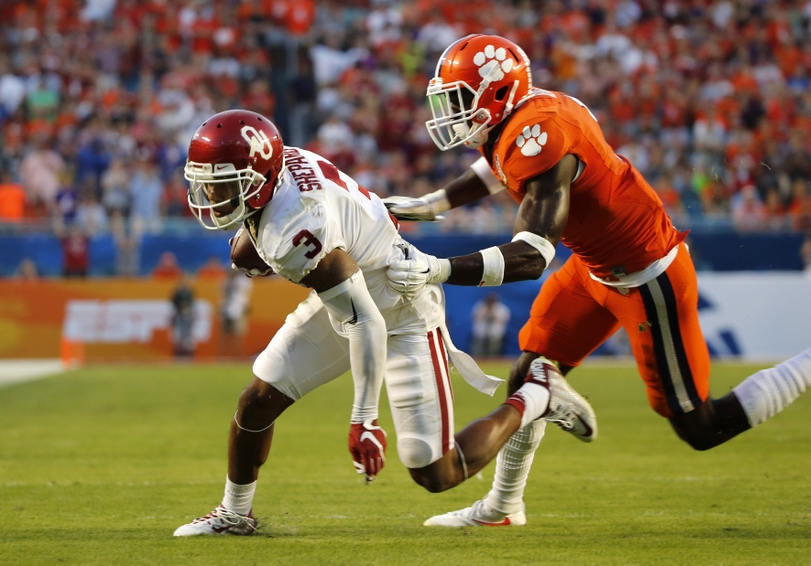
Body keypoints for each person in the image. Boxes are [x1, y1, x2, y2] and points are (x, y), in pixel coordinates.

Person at [384, 34, 811, 527]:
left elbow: (531, 255)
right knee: (528, 373)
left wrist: (439, 267)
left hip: (648, 278)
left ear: (496, 95)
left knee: (701, 425)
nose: (450, 112)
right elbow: (499, 162)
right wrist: (433, 204)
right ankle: (503, 507)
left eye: (459, 100)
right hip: (594, 268)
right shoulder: (527, 118)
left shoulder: (542, 135)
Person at [172, 109, 596, 536]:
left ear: (260, 176)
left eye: (224, 181)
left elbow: (365, 322)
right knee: (258, 399)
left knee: (435, 471)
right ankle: (234, 513)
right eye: (207, 179)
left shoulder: (293, 231)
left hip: (399, 306)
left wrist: (364, 419)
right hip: (352, 287)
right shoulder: (283, 166)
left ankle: (535, 395)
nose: (211, 192)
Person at [470, 292, 511, 357]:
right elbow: (475, 317)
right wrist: (487, 312)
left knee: (493, 351)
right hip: (481, 333)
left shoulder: (501, 308)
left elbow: (503, 320)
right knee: (478, 350)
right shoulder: (480, 307)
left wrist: (492, 313)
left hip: (495, 334)